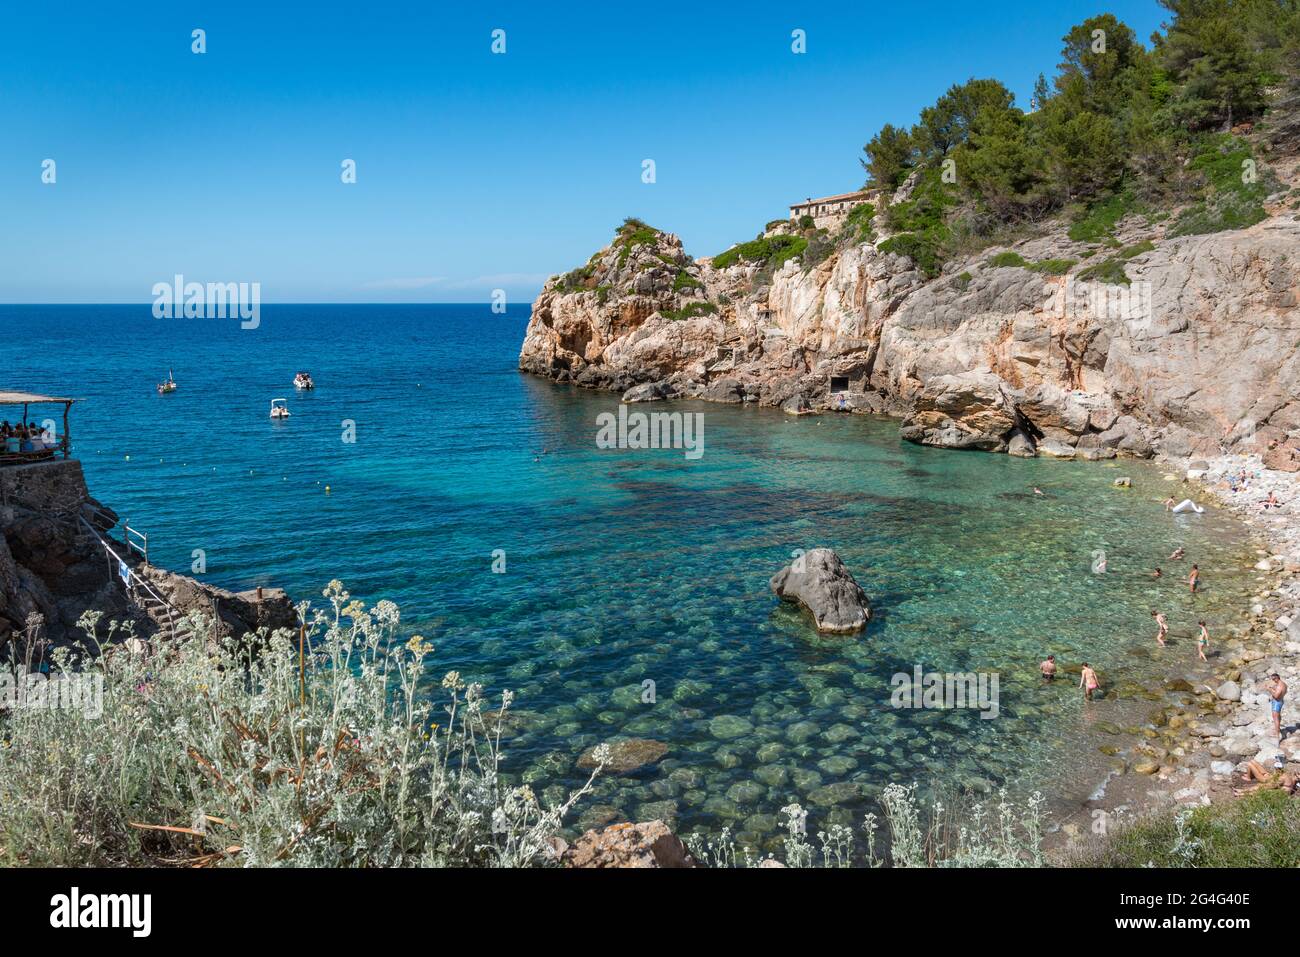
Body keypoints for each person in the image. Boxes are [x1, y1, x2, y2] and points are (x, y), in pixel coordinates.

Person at [1266, 673, 1288, 742]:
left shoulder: (1279, 686)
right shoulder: (1284, 684)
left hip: (1276, 703)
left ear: (1277, 678)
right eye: (1272, 679)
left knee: (1275, 718)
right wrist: (1273, 688)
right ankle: (1278, 730)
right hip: (1281, 701)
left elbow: (1276, 696)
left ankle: (1277, 736)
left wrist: (1269, 690)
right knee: (1278, 716)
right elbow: (1281, 692)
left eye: (1273, 679)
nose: (1273, 681)